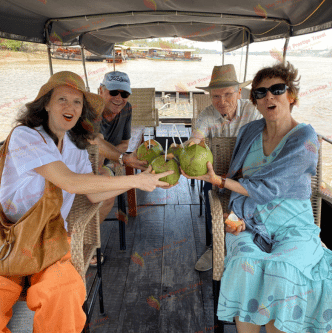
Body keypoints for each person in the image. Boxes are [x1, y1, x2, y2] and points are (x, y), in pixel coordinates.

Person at [0, 71, 173, 333]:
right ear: (46, 104)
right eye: (62, 99)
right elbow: (68, 181)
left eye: (77, 102)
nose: (70, 107)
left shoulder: (76, 145)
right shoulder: (25, 136)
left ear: (83, 110)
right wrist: (135, 182)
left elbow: (92, 193)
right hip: (2, 239)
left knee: (65, 293)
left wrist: (121, 174)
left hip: (50, 239)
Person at [182, 63, 332, 333]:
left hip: (291, 223)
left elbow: (269, 187)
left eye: (277, 89)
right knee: (243, 264)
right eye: (261, 93)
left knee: (283, 270)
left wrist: (221, 181)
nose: (269, 97)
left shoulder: (305, 138)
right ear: (255, 101)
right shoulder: (249, 131)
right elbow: (229, 166)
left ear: (291, 95)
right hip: (247, 219)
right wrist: (195, 158)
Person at [189, 64, 261, 272]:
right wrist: (186, 149)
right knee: (215, 201)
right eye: (216, 96)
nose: (222, 102)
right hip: (217, 174)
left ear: (239, 92)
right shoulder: (207, 115)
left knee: (254, 202)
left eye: (228, 94)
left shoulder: (253, 111)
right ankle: (216, 245)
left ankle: (247, 241)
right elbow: (197, 137)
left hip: (248, 173)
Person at [89, 71, 148, 266]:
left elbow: (124, 143)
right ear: (101, 90)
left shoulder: (126, 109)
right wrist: (120, 157)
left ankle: (86, 239)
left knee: (107, 193)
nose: (119, 98)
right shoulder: (90, 111)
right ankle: (81, 238)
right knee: (97, 187)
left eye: (124, 94)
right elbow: (94, 144)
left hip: (106, 161)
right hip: (82, 160)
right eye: (113, 92)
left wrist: (115, 156)